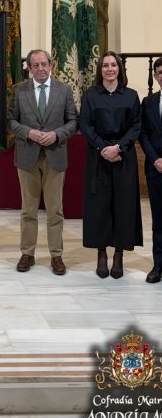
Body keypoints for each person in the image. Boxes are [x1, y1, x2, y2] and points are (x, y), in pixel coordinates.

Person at [8, 49, 78, 275]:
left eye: (44, 64)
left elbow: (73, 121)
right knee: (28, 209)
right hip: (27, 156)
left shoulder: (63, 90)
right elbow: (10, 120)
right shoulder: (19, 90)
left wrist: (56, 134)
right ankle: (27, 253)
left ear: (51, 65)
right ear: (28, 68)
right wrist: (28, 132)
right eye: (35, 65)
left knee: (55, 210)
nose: (40, 68)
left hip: (55, 155)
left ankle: (56, 255)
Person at [80, 52, 142, 279]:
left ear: (119, 69)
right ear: (100, 70)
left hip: (124, 158)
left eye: (113, 65)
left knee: (123, 206)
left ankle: (118, 254)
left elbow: (136, 126)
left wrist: (119, 148)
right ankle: (101, 253)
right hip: (98, 157)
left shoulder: (131, 96)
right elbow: (85, 125)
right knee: (99, 207)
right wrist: (103, 148)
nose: (109, 69)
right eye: (105, 65)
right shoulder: (90, 96)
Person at [138, 57, 162, 282]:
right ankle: (158, 266)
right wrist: (155, 159)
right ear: (155, 76)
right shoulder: (149, 102)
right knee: (158, 220)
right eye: (160, 72)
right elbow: (143, 134)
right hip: (156, 169)